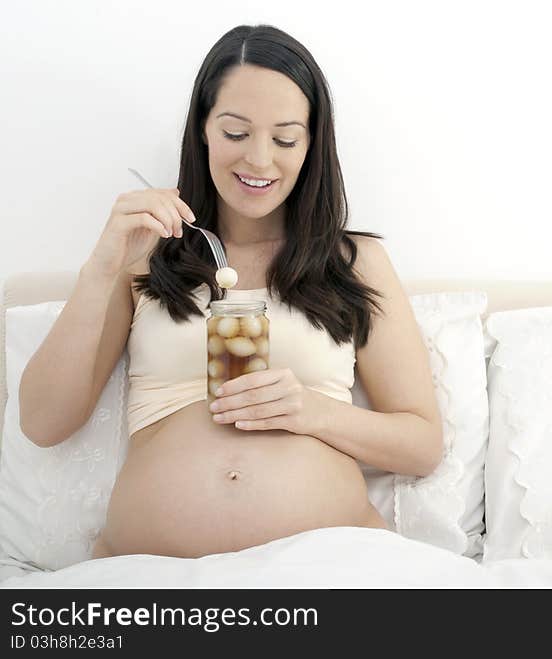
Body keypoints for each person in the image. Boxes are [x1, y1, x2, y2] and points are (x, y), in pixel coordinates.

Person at [18, 24, 443, 559]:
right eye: (236, 133)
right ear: (203, 129)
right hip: (156, 577)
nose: (260, 161)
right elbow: (41, 423)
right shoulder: (146, 257)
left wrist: (311, 412)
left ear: (312, 143)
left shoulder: (355, 263)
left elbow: (422, 444)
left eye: (285, 138)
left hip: (329, 564)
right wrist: (102, 266)